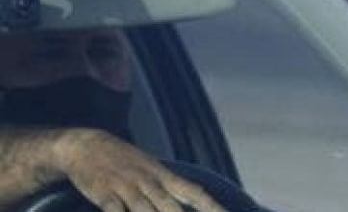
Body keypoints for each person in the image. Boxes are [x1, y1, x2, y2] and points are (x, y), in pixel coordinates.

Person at [0, 29, 226, 212]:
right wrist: (69, 150)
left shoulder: (188, 189)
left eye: (103, 53)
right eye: (52, 55)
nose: (87, 72)